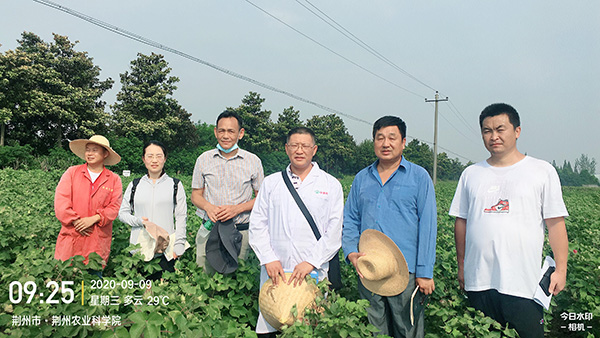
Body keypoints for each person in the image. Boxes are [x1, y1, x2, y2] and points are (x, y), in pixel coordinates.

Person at [449, 103, 569, 337]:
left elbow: (555, 224)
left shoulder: (541, 171)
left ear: (517, 131)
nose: (494, 136)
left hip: (524, 283)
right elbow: (461, 223)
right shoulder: (471, 174)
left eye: (500, 129)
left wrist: (561, 269)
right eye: (487, 131)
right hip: (478, 281)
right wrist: (461, 266)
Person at [342, 116, 437, 338]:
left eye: (392, 138)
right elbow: (350, 220)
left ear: (403, 142)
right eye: (380, 138)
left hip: (407, 270)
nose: (386, 143)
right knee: (374, 328)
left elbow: (428, 225)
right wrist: (351, 253)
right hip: (368, 268)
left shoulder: (419, 177)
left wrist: (424, 271)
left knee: (408, 329)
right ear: (374, 142)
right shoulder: (361, 178)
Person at [249, 126, 344, 336]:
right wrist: (268, 258)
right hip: (276, 269)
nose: (299, 150)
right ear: (286, 148)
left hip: (312, 271)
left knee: (309, 323)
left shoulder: (330, 184)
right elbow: (257, 223)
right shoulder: (272, 183)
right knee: (274, 319)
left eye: (305, 146)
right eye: (294, 145)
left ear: (314, 149)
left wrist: (312, 261)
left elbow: (334, 232)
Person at [192, 110, 264, 273]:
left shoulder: (253, 161)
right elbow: (196, 195)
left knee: (237, 278)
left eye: (231, 131)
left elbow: (261, 198)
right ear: (215, 132)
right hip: (210, 228)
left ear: (240, 134)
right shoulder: (203, 159)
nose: (226, 135)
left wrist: (236, 209)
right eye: (222, 130)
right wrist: (208, 207)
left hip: (240, 231)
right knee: (204, 276)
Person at [118, 140, 188, 280]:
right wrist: (138, 221)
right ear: (144, 159)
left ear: (165, 158)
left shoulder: (175, 185)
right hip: (139, 250)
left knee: (164, 295)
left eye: (159, 156)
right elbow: (122, 213)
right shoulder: (135, 185)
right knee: (139, 295)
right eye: (150, 156)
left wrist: (179, 245)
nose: (154, 160)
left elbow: (181, 217)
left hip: (166, 251)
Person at [54, 135, 123, 275]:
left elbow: (114, 207)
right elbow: (61, 201)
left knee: (93, 285)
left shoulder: (114, 179)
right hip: (72, 237)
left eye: (95, 150)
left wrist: (94, 218)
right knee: (66, 285)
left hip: (96, 242)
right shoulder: (72, 173)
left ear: (105, 154)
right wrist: (76, 221)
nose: (89, 153)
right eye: (87, 150)